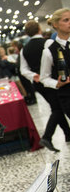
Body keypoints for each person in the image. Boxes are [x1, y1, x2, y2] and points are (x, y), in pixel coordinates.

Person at [20, 19, 70, 152]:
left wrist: (34, 76)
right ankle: (47, 136)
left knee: (56, 107)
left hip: (39, 84)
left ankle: (67, 134)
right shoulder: (48, 43)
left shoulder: (24, 50)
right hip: (53, 81)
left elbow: (23, 69)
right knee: (58, 108)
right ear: (39, 29)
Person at [40, 8, 70, 129]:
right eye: (66, 20)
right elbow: (44, 78)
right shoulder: (49, 52)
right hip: (68, 96)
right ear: (55, 24)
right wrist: (56, 84)